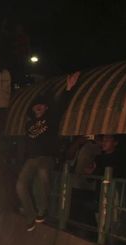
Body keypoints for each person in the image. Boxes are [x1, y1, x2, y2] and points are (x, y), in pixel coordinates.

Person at [16, 71, 80, 231]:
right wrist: (22, 157)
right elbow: (26, 142)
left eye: (41, 106)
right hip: (31, 158)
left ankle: (42, 210)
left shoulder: (51, 118)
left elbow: (61, 105)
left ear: (45, 108)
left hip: (46, 157)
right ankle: (30, 216)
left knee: (43, 174)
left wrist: (69, 88)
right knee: (20, 184)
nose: (38, 108)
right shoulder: (29, 124)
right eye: (36, 106)